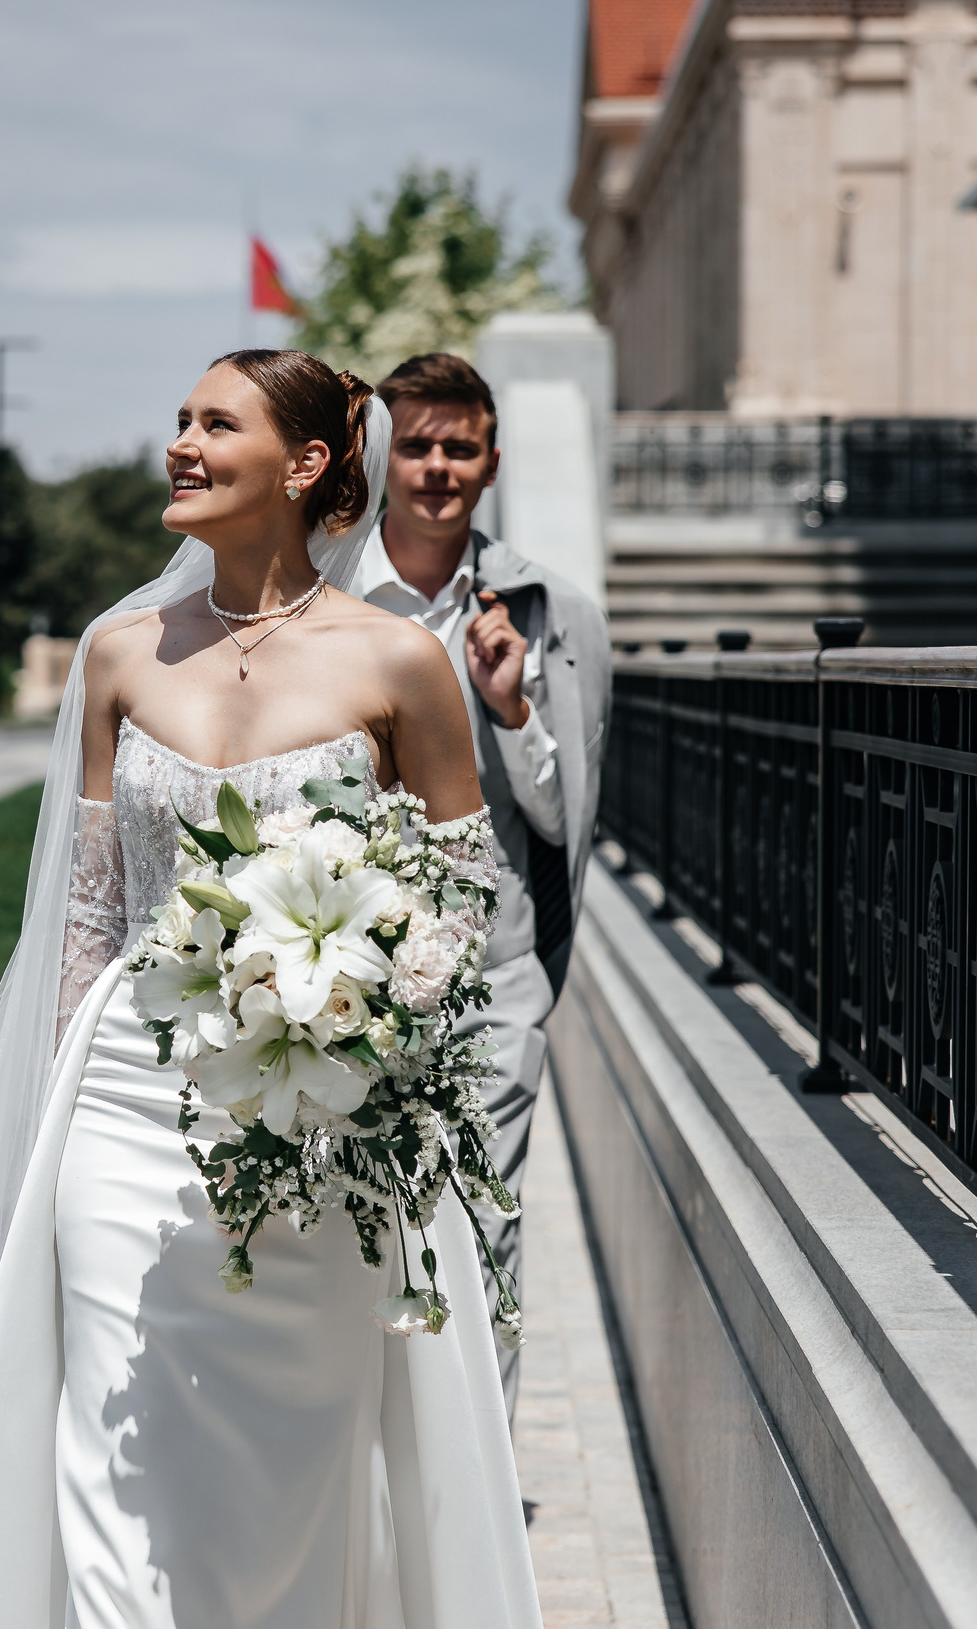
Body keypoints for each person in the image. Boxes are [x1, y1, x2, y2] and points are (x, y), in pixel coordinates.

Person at [0, 350, 542, 1629]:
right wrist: (43, 1125)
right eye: (180, 421)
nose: (182, 445)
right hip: (122, 1111)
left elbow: (460, 893)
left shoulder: (398, 666)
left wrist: (360, 1011)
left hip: (316, 1128)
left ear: (306, 464)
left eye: (218, 423)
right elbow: (92, 914)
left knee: (288, 1483)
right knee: (110, 1463)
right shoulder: (117, 654)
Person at [358, 353, 611, 1416]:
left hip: (492, 973)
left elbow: (569, 825)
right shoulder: (320, 600)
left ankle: (477, 1518)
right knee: (352, 1238)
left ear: (491, 462)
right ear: (383, 454)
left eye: (458, 448)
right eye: (414, 443)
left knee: (478, 1226)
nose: (435, 467)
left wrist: (513, 712)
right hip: (342, 979)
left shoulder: (555, 616)